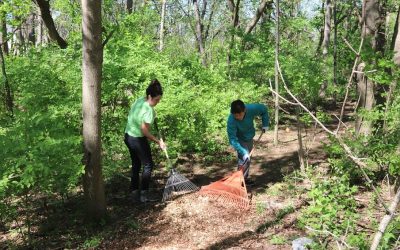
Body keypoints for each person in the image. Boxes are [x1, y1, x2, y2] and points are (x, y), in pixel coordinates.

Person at [124, 79, 166, 202]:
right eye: (156, 99)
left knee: (136, 164)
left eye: (159, 100)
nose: (158, 102)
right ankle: (144, 194)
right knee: (148, 165)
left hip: (128, 136)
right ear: (149, 96)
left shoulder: (139, 101)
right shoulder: (149, 111)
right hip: (137, 139)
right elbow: (145, 132)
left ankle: (134, 192)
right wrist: (159, 142)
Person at [227, 99, 269, 185]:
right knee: (244, 159)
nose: (238, 117)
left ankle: (244, 179)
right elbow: (233, 139)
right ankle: (239, 182)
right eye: (236, 116)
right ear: (232, 113)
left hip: (249, 136)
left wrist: (265, 124)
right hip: (239, 139)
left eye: (240, 115)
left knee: (248, 159)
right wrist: (243, 152)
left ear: (244, 110)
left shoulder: (251, 108)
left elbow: (264, 110)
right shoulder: (231, 121)